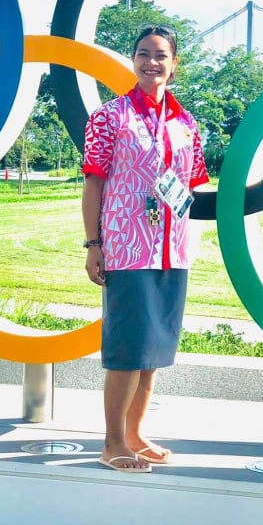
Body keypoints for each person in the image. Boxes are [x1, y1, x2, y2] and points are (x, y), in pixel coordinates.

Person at [81, 23, 209, 472]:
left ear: (174, 64)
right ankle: (112, 441)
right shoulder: (109, 117)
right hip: (126, 245)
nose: (151, 62)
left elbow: (189, 187)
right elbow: (94, 183)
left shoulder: (186, 122)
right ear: (132, 61)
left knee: (153, 352)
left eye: (160, 55)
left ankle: (135, 434)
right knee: (128, 349)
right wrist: (94, 243)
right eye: (143, 53)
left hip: (172, 249)